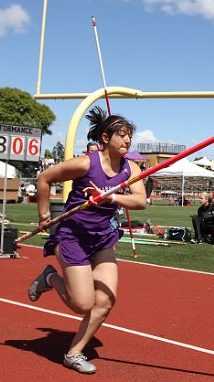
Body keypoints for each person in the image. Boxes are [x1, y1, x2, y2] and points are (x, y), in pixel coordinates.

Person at [27, 106, 147, 374]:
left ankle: (74, 353)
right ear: (105, 138)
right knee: (82, 304)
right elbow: (45, 177)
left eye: (130, 136)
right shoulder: (85, 163)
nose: (128, 141)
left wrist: (110, 197)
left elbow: (140, 201)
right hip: (73, 237)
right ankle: (50, 278)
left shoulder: (131, 168)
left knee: (105, 301)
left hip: (102, 237)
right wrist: (43, 214)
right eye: (123, 135)